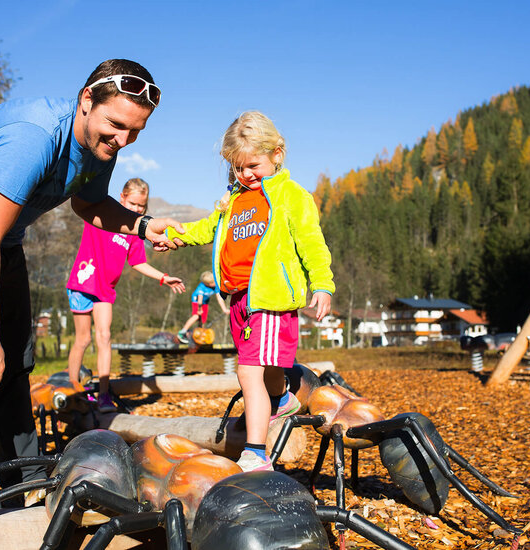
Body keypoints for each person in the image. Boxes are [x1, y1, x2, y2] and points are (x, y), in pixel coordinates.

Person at [0, 58, 183, 510]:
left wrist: (141, 225)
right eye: (116, 125)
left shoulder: (100, 144)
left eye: (136, 131)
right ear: (87, 99)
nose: (123, 140)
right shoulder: (31, 138)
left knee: (16, 361)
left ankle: (27, 483)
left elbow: (88, 204)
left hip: (1, 239)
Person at [166, 111, 334, 471]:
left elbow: (312, 243)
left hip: (269, 299)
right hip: (239, 299)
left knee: (248, 372)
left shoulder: (290, 195)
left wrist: (322, 284)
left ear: (277, 154)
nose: (246, 174)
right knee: (266, 367)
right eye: (238, 168)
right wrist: (172, 236)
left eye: (253, 165)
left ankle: (256, 453)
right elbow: (207, 228)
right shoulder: (234, 200)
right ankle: (282, 399)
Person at [67, 177, 185, 412]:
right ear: (122, 198)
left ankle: (103, 395)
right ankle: (72, 389)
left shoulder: (135, 231)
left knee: (105, 337)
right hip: (83, 283)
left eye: (142, 206)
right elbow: (86, 199)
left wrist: (163, 277)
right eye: (133, 204)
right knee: (84, 339)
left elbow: (137, 262)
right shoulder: (103, 215)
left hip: (105, 290)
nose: (137, 209)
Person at [177, 270, 228, 344]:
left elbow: (219, 297)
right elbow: (200, 300)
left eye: (214, 281)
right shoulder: (201, 287)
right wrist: (199, 309)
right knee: (197, 316)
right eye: (212, 283)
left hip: (205, 302)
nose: (214, 283)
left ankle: (200, 334)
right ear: (207, 284)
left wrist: (224, 309)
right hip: (197, 301)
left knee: (203, 319)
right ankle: (182, 332)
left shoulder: (215, 286)